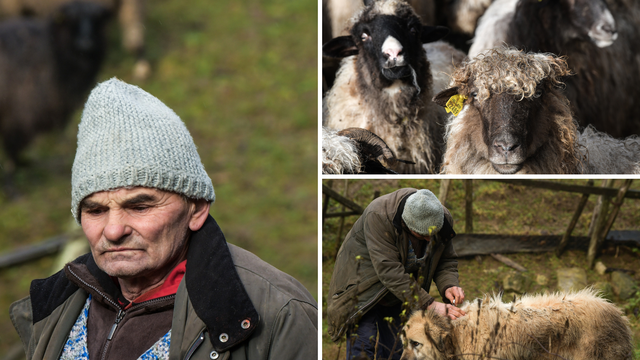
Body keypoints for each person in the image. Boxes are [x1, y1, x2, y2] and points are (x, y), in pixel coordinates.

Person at [9, 78, 318, 360]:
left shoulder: (279, 314)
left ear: (196, 209)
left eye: (140, 206)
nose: (114, 230)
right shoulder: (58, 302)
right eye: (96, 210)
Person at [326, 188, 465, 360]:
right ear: (406, 224)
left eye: (433, 234)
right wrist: (429, 304)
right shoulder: (379, 215)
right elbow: (389, 270)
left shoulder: (441, 218)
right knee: (362, 348)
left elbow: (445, 260)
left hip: (400, 293)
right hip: (362, 289)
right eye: (422, 235)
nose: (429, 240)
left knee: (396, 349)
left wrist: (449, 284)